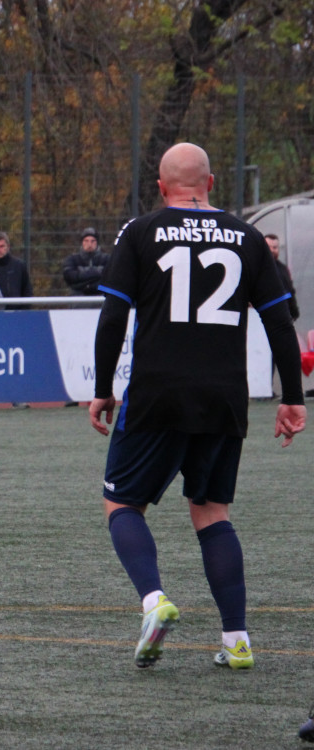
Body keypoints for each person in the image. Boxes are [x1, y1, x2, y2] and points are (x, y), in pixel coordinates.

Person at [89, 142, 306, 671]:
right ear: (211, 184)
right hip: (225, 395)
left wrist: (102, 387)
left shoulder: (140, 231)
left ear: (162, 188)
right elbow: (280, 323)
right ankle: (236, 639)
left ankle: (153, 601)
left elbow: (113, 317)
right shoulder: (249, 237)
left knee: (121, 503)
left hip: (158, 390)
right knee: (212, 513)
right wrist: (293, 399)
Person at [0, 231, 33, 302]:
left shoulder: (19, 266)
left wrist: (23, 310)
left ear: (8, 247)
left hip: (15, 310)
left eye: (1, 246)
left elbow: (27, 291)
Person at [62, 227, 110, 296]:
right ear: (82, 243)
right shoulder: (72, 259)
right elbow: (69, 277)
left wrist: (82, 281)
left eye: (92, 241)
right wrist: (97, 273)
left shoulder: (107, 259)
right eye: (86, 241)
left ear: (97, 243)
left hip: (102, 298)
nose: (89, 244)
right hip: (77, 299)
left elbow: (111, 279)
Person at [265, 233, 300, 320]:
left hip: (281, 317)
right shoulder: (254, 267)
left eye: (275, 247)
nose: (272, 250)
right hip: (259, 318)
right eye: (268, 247)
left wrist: (294, 313)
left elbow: (290, 292)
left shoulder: (283, 269)